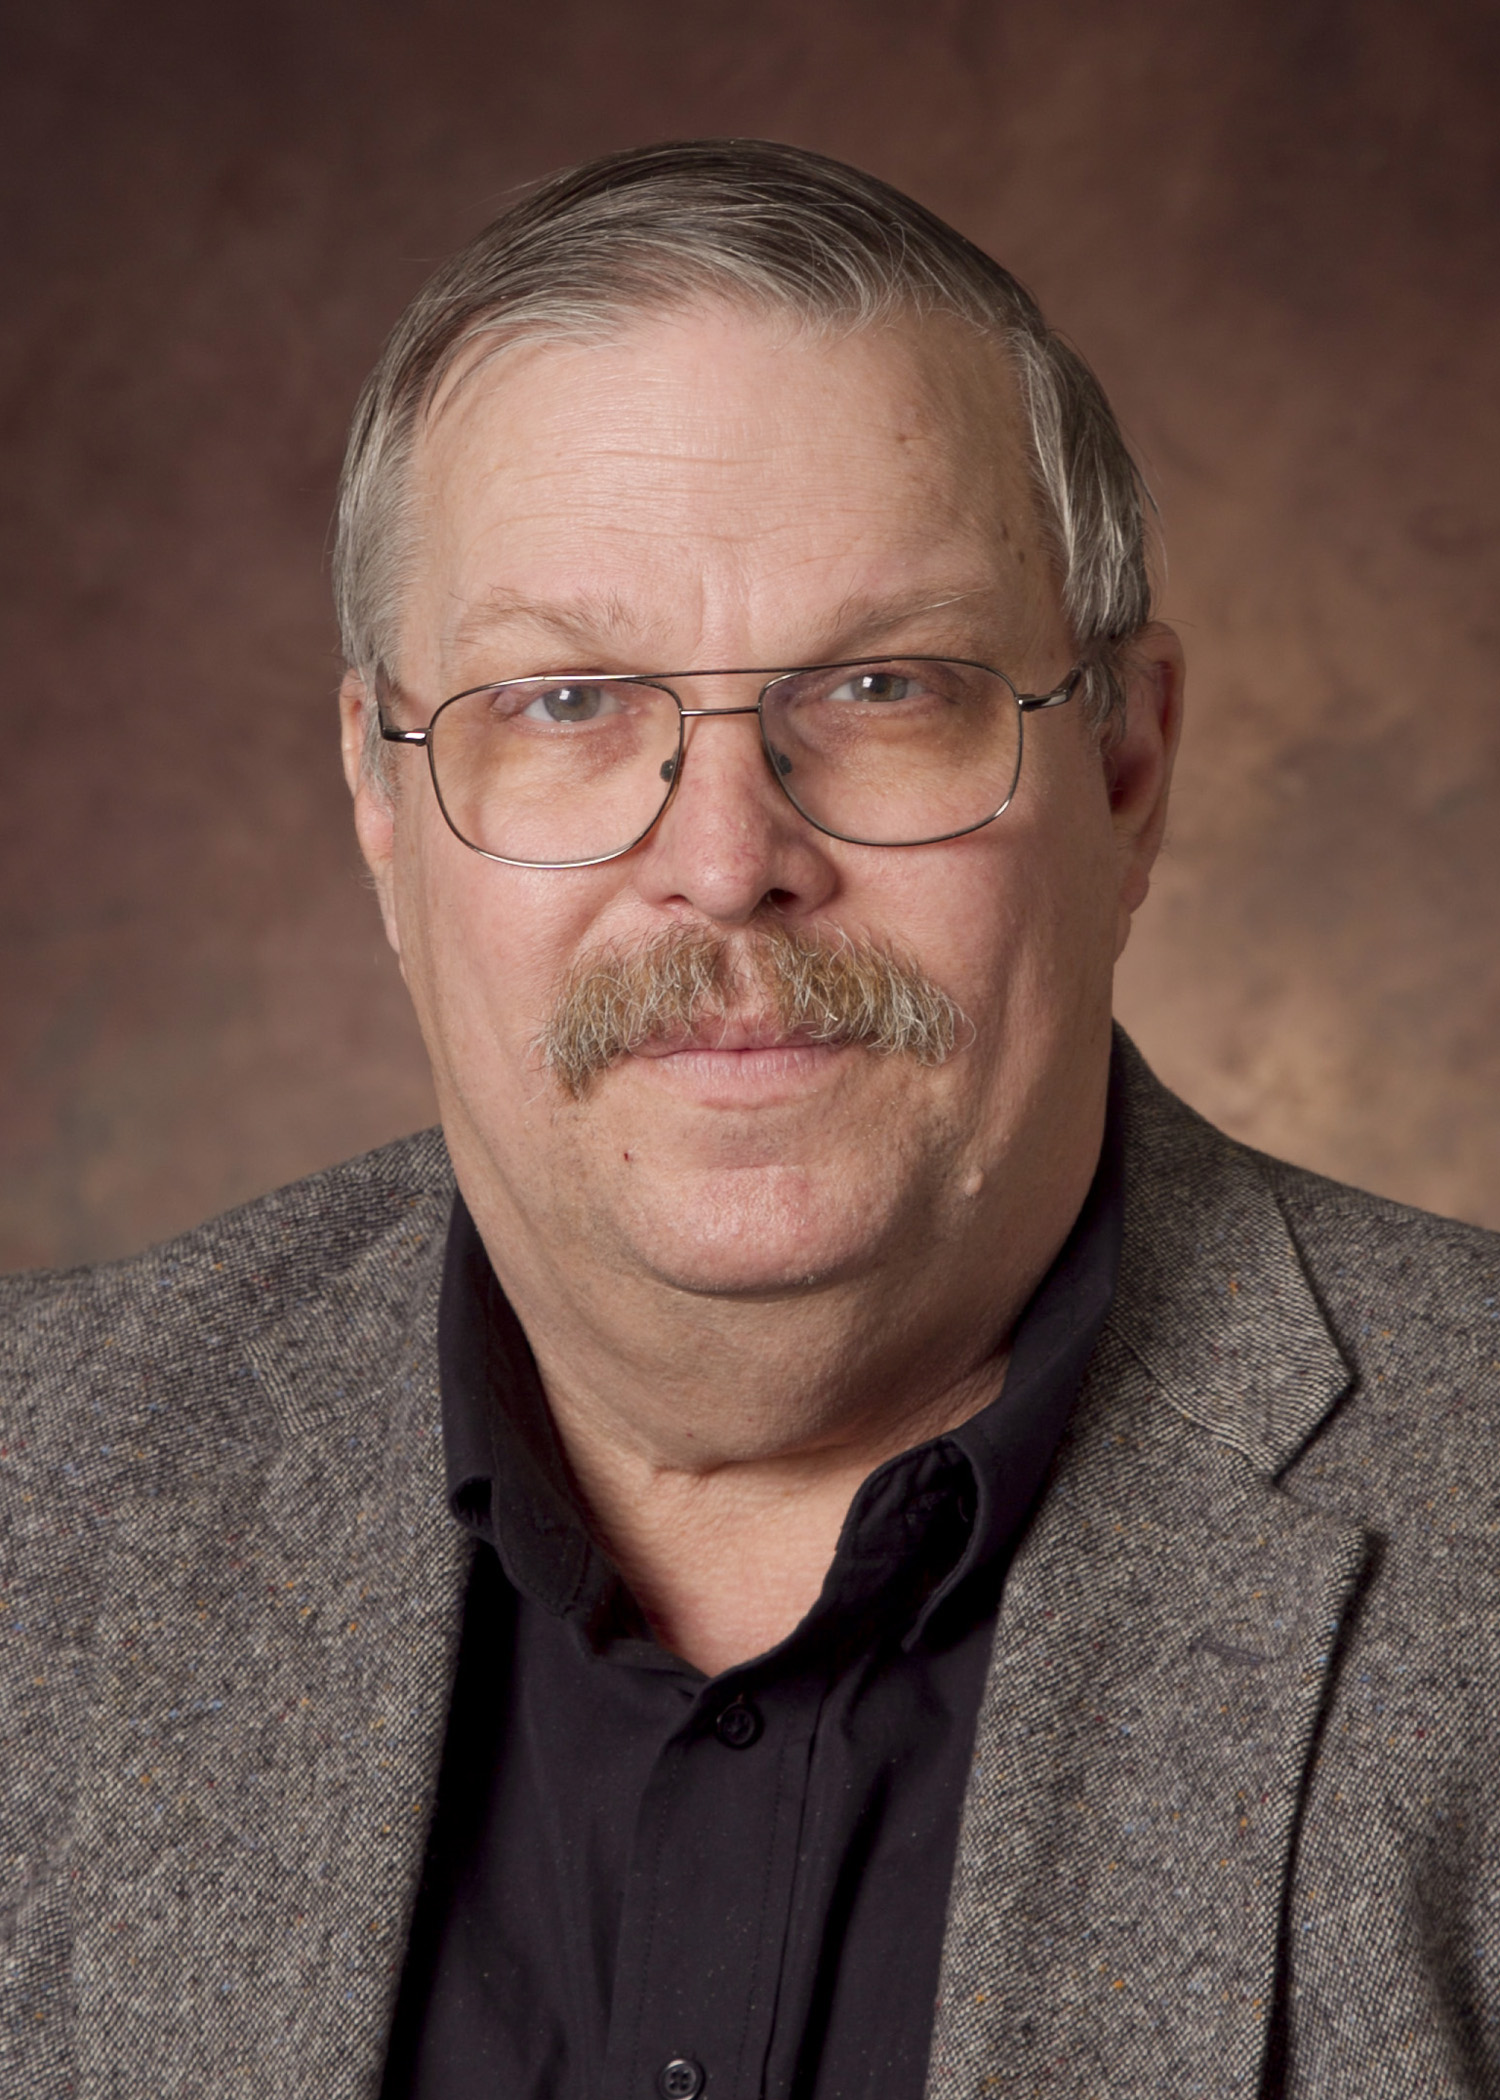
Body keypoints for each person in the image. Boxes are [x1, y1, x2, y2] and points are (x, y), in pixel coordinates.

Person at [2, 139, 1496, 2100]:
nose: (725, 861)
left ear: (1127, 767)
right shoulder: (40, 1516)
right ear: (382, 801)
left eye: (883, 684)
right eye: (563, 704)